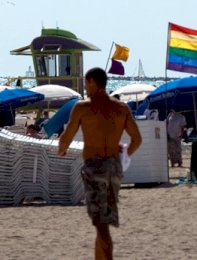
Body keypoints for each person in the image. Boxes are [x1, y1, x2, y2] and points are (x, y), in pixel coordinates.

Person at [58, 67, 142, 260]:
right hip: (114, 167)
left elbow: (66, 137)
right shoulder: (121, 108)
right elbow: (136, 139)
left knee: (101, 226)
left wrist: (61, 149)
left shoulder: (82, 107)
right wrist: (123, 156)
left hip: (94, 167)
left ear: (93, 83)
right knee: (102, 225)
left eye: (87, 83)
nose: (86, 88)